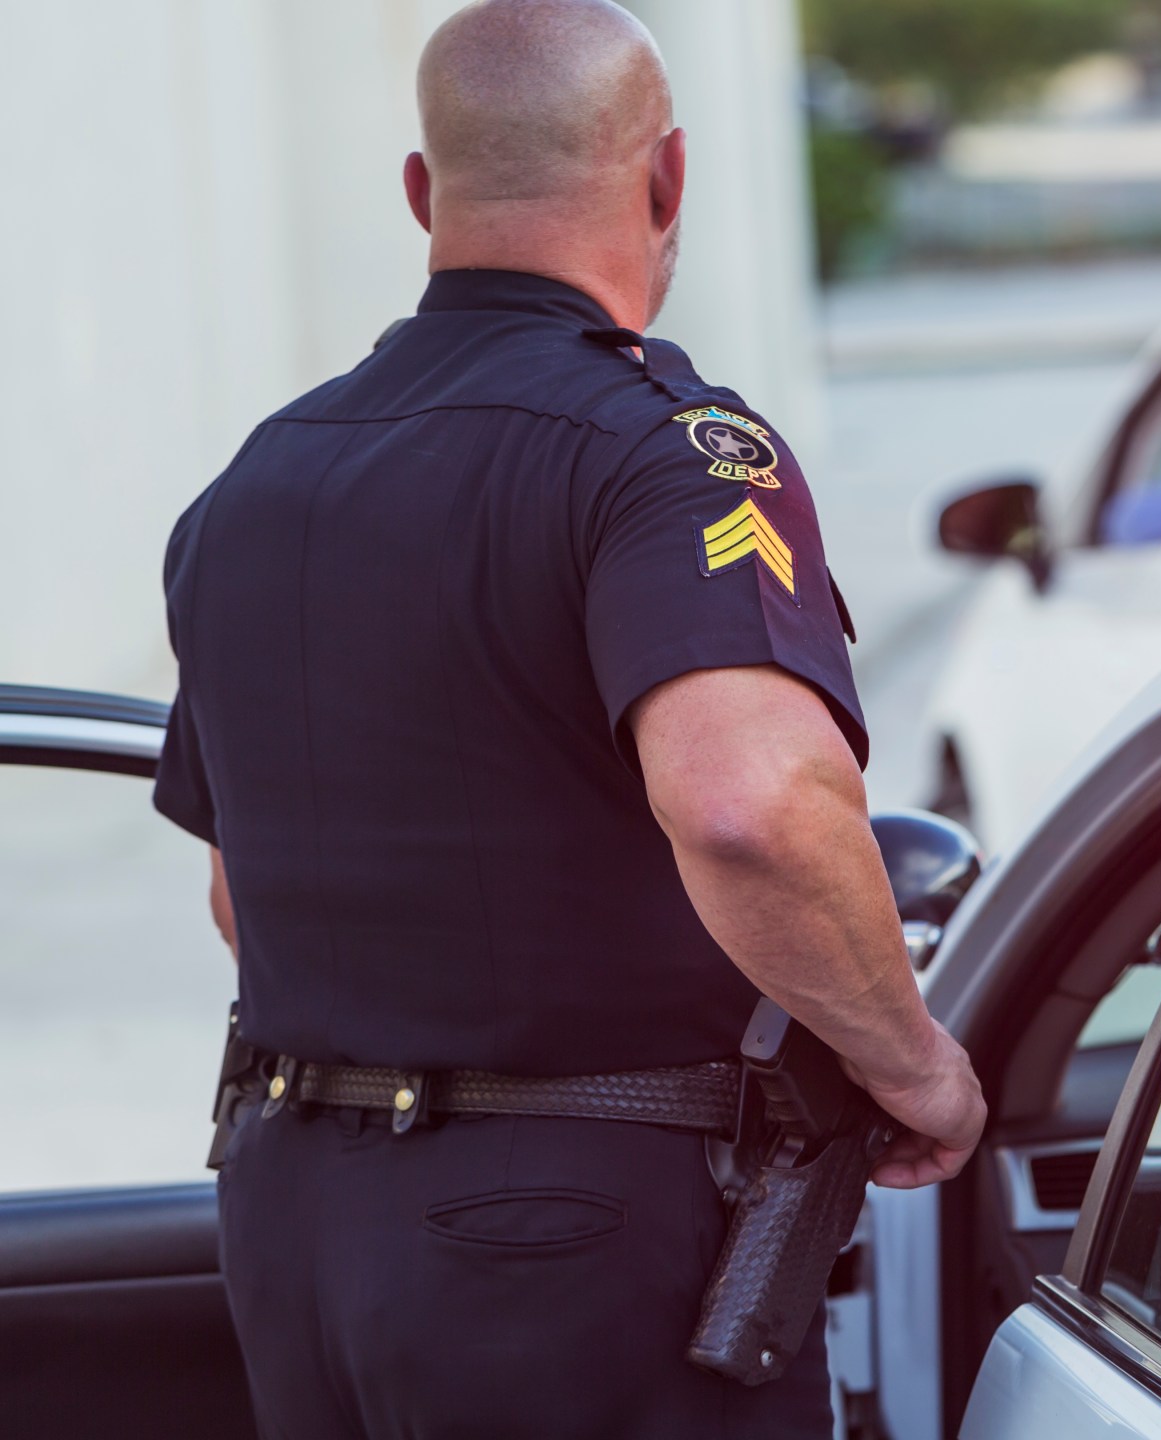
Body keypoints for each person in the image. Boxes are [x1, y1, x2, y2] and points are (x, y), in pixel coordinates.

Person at [151, 2, 984, 1435]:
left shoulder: (256, 485)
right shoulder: (669, 457)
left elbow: (244, 896)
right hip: (574, 1248)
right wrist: (915, 1066)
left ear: (424, 193)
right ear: (666, 180)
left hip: (293, 1233)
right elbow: (752, 808)